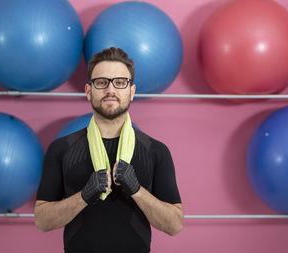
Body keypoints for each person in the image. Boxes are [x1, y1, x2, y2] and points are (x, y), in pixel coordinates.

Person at [34, 47, 183, 253]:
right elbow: (42, 220)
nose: (110, 90)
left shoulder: (156, 151)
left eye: (120, 83)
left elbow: (174, 225)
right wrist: (84, 196)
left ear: (131, 91)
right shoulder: (61, 149)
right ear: (88, 91)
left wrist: (137, 191)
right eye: (102, 82)